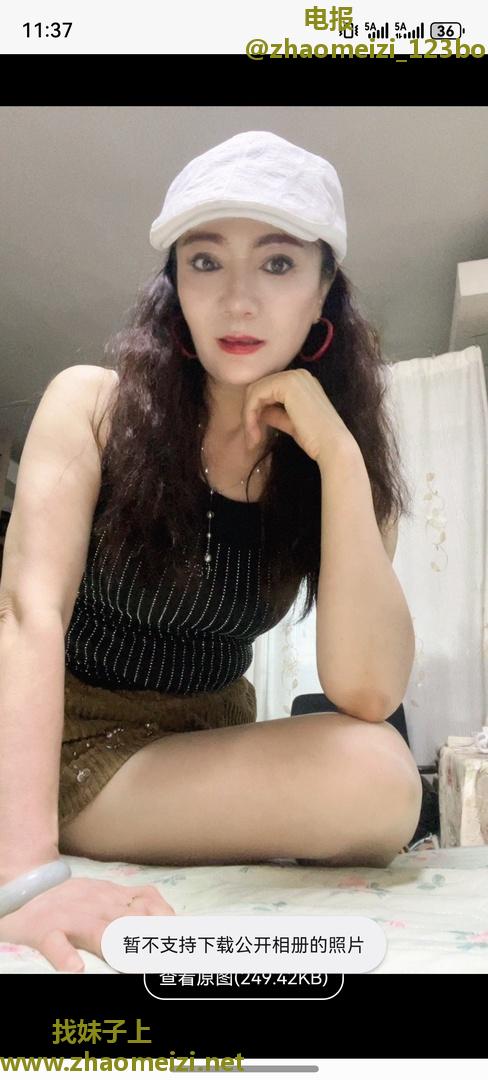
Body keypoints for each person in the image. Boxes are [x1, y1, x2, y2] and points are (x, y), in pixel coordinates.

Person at [0, 130, 423, 974]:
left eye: (277, 264)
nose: (237, 301)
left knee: (382, 778)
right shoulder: (93, 408)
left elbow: (369, 691)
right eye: (205, 262)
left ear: (323, 291)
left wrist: (340, 460)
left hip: (194, 750)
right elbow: (27, 615)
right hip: (66, 745)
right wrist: (24, 878)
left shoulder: (337, 471)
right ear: (176, 287)